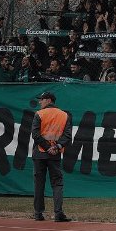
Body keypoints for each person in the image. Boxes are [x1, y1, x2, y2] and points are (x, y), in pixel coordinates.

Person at [30, 91, 72, 222]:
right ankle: (58, 213)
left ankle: (38, 213)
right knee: (57, 183)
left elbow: (35, 135)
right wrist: (56, 147)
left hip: (40, 153)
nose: (39, 102)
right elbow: (67, 136)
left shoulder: (39, 114)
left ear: (48, 100)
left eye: (41, 99)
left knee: (39, 183)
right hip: (55, 154)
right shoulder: (64, 115)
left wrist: (47, 147)